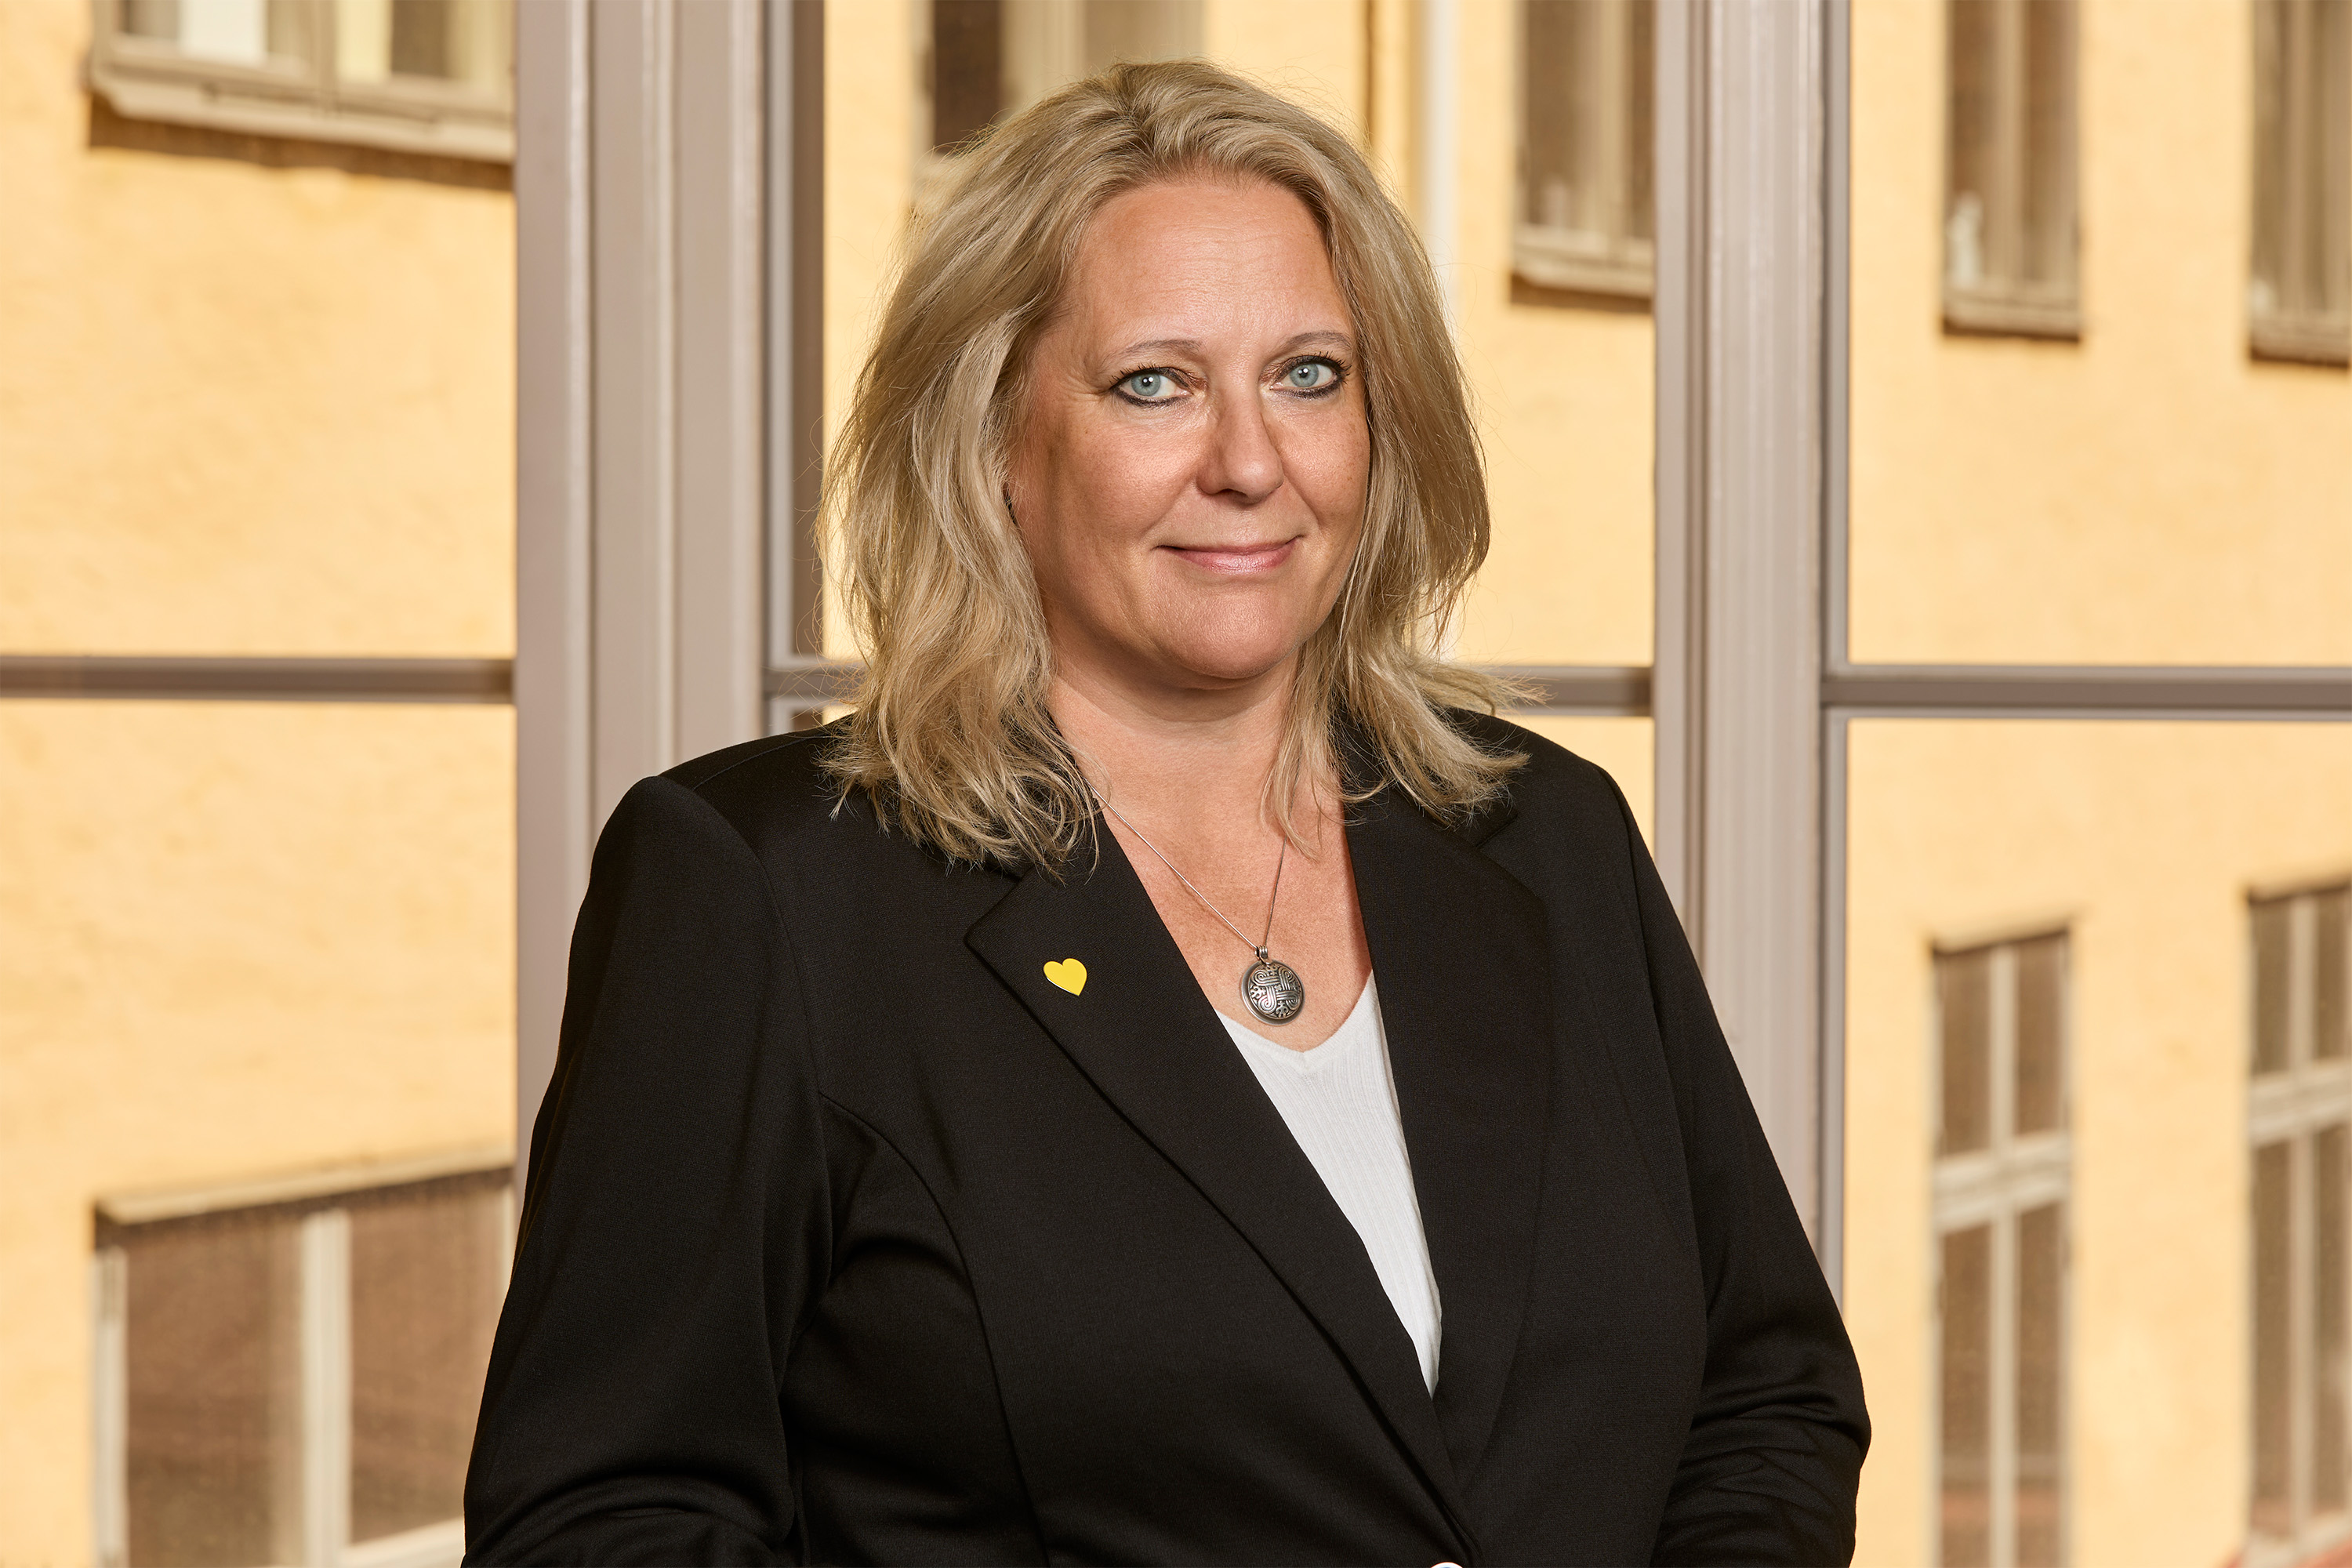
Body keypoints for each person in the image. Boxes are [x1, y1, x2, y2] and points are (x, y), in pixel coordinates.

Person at [463, 59, 1867, 1567]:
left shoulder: (1548, 835)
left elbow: (1766, 1393)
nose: (1251, 462)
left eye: (1310, 376)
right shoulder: (763, 892)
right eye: (1157, 384)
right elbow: (599, 1524)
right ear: (996, 439)